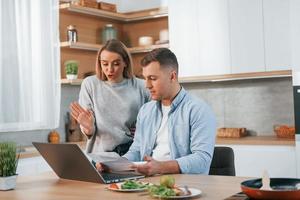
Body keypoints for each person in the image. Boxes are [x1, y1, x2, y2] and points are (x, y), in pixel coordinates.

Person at [97, 48, 216, 175]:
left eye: (152, 78)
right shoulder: (146, 111)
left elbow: (202, 159)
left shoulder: (198, 110)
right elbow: (136, 150)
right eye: (145, 78)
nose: (147, 85)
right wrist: (116, 165)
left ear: (172, 76)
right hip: (147, 183)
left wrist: (160, 167)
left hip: (184, 185)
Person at [70, 39, 150, 156]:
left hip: (132, 154)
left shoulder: (142, 86)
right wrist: (88, 128)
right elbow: (89, 131)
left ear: (125, 62)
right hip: (100, 156)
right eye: (105, 63)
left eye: (116, 63)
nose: (110, 69)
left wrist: (141, 128)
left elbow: (153, 123)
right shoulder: (90, 84)